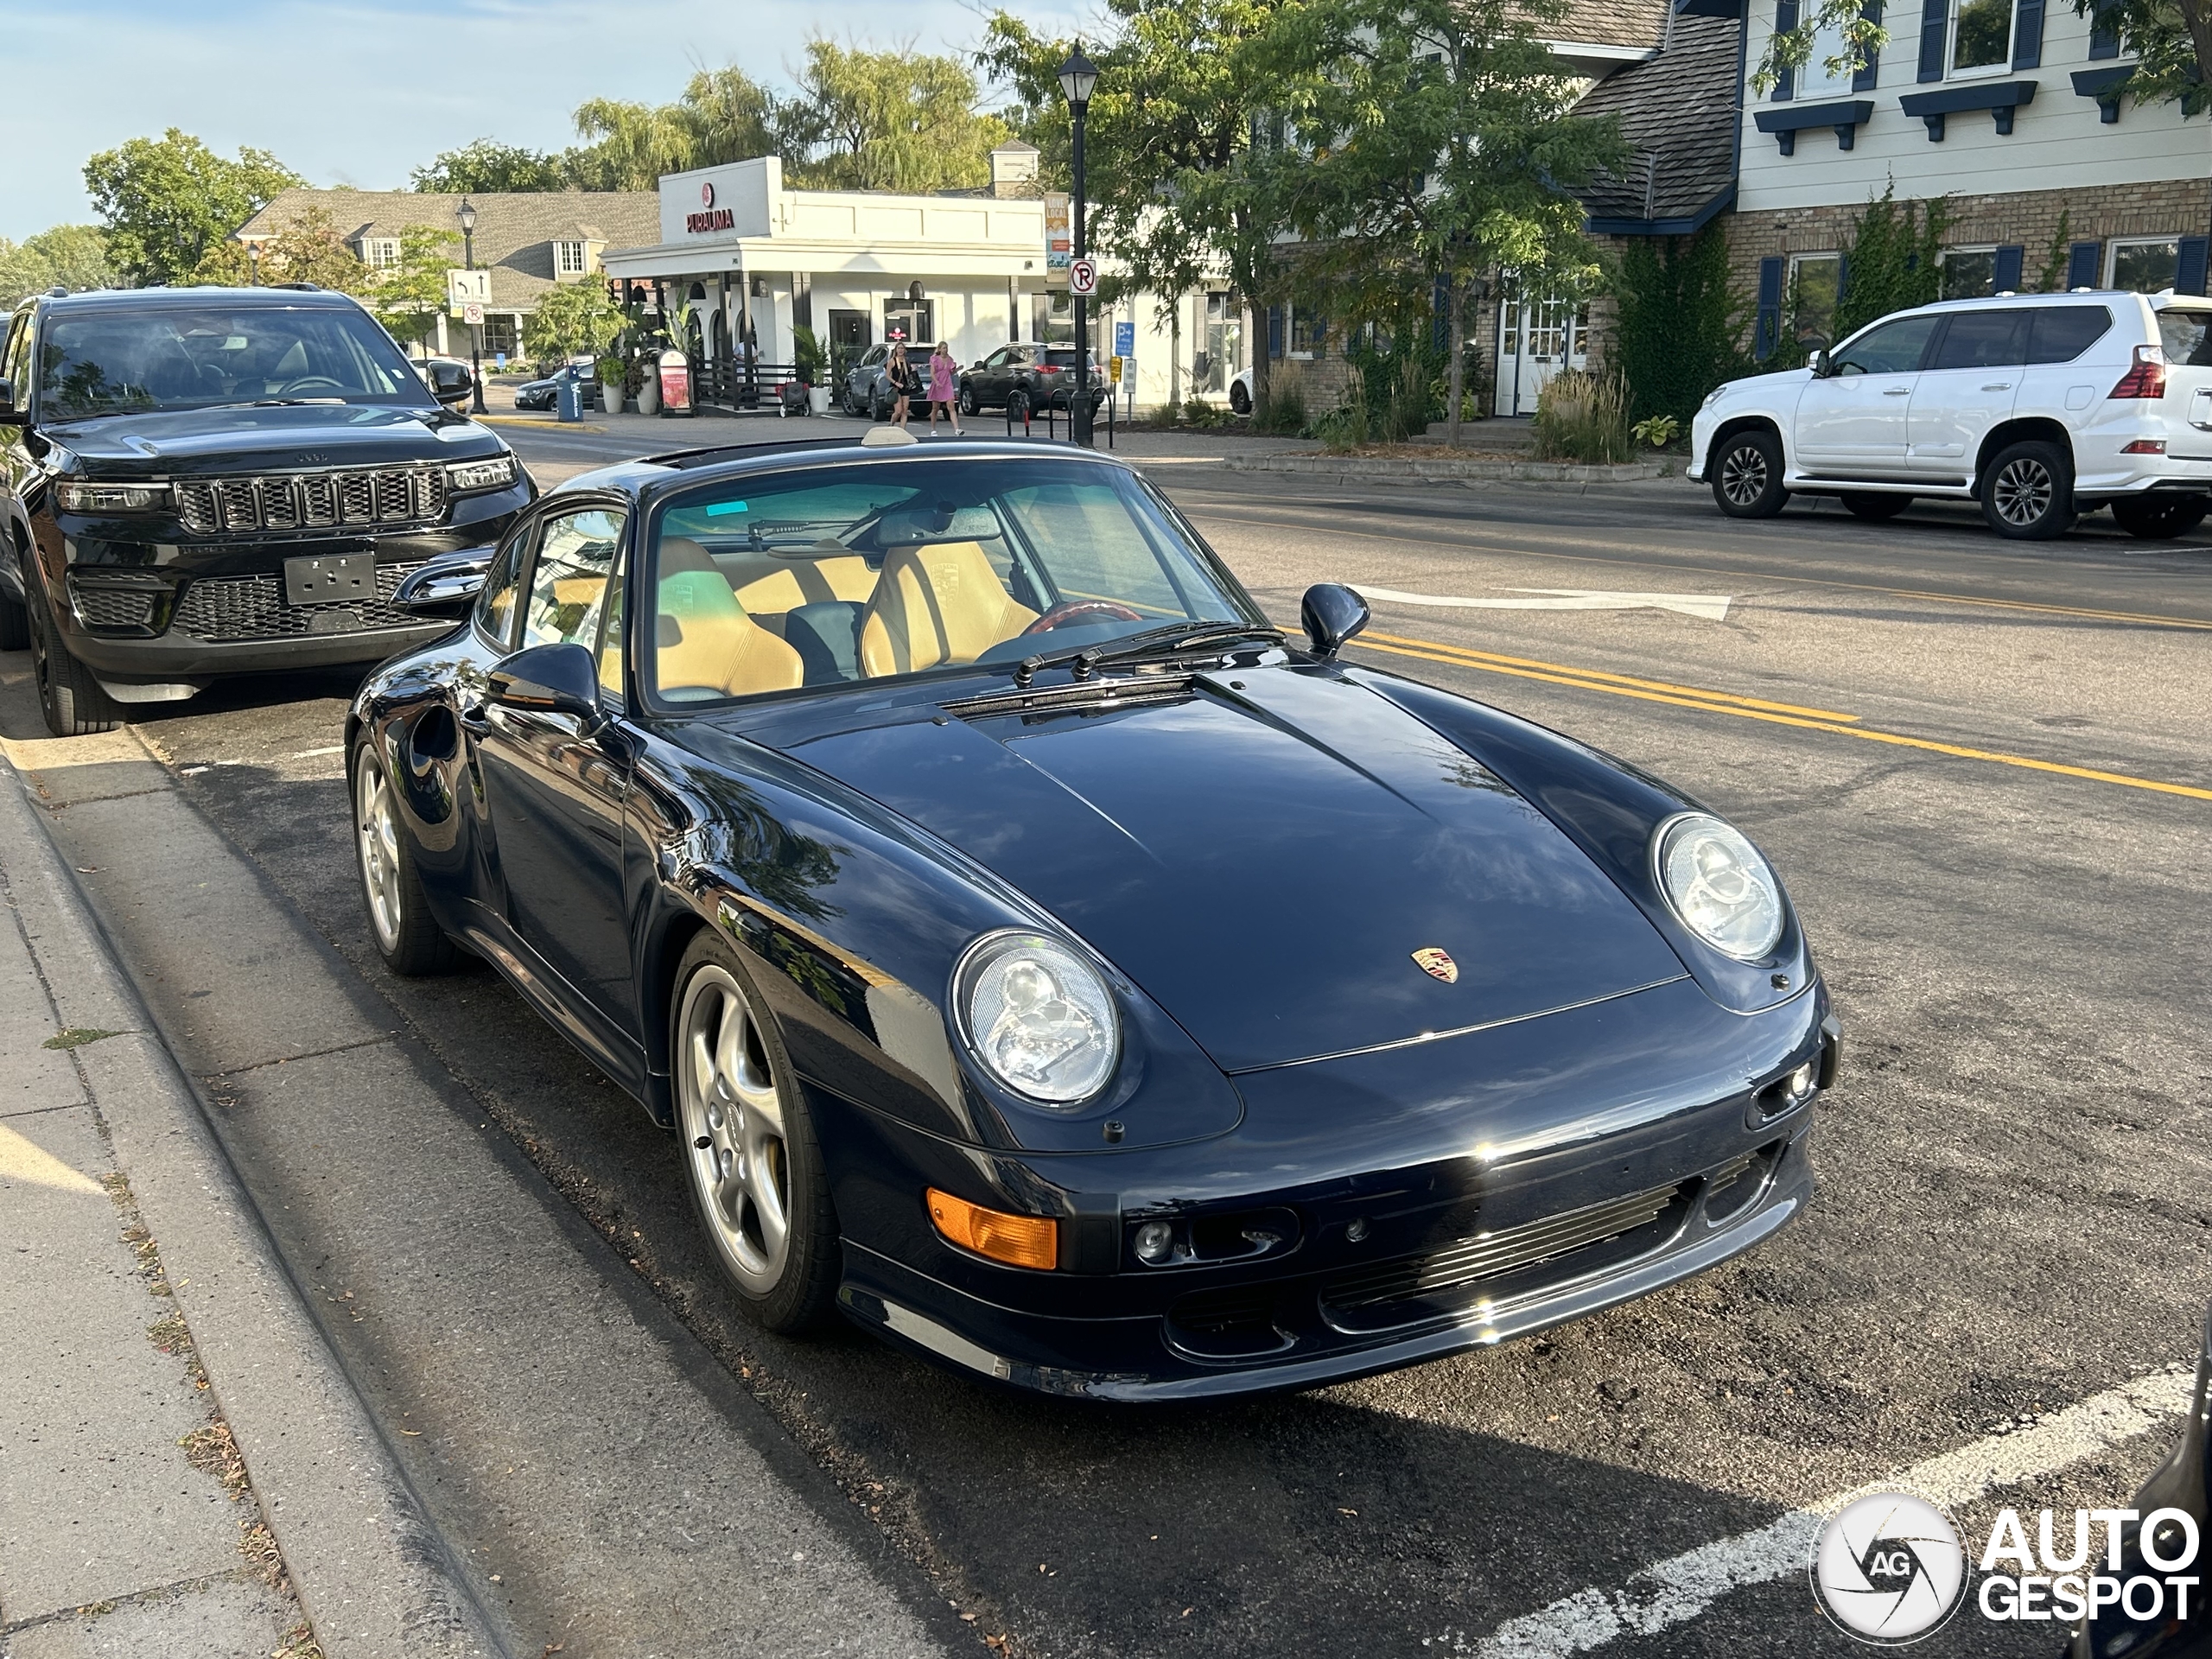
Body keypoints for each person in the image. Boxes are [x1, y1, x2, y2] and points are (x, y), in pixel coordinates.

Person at [926, 342, 962, 435]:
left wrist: (957, 370)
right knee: (935, 408)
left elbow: (951, 372)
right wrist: (937, 382)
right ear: (939, 349)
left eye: (946, 348)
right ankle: (933, 429)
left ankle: (957, 429)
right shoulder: (934, 359)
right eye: (944, 348)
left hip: (947, 384)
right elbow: (932, 373)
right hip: (938, 384)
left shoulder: (950, 359)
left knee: (951, 407)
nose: (945, 350)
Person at [886, 342, 918, 427]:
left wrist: (913, 370)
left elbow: (909, 375)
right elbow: (887, 375)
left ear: (905, 350)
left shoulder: (906, 361)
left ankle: (902, 430)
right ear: (896, 350)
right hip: (896, 387)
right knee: (898, 410)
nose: (900, 350)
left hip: (905, 387)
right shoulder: (892, 361)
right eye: (899, 348)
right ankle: (892, 424)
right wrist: (896, 383)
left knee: (905, 411)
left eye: (902, 348)